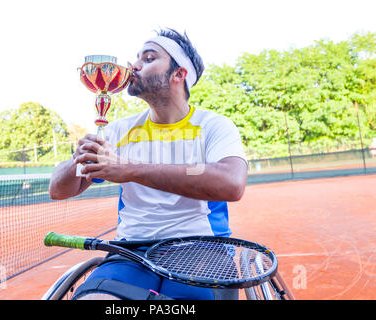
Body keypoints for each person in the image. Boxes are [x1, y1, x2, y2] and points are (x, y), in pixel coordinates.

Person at [48, 28, 248, 300]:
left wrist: (130, 169)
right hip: (131, 253)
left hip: (201, 250)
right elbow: (58, 190)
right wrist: (78, 158)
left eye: (149, 58)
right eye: (136, 58)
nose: (134, 66)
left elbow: (231, 183)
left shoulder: (213, 125)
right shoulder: (119, 130)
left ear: (179, 74)